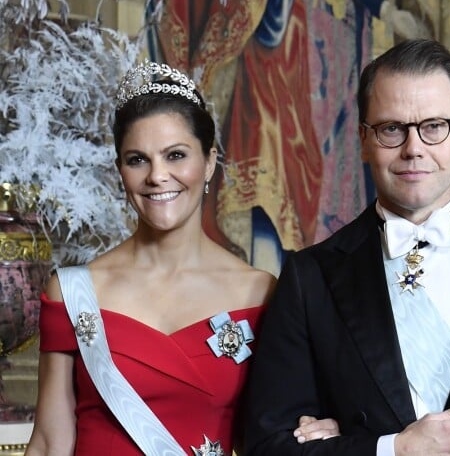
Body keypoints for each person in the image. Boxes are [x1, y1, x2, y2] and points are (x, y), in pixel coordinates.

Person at [244, 39, 450, 455]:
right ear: (364, 140)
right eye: (392, 129)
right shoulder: (309, 279)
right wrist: (391, 449)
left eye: (434, 127)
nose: (414, 149)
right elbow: (267, 446)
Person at [25, 61, 339, 455]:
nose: (157, 175)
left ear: (209, 162)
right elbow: (50, 442)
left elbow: (267, 438)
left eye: (175, 155)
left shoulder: (258, 292)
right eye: (137, 159)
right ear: (119, 170)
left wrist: (321, 429)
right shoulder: (72, 292)